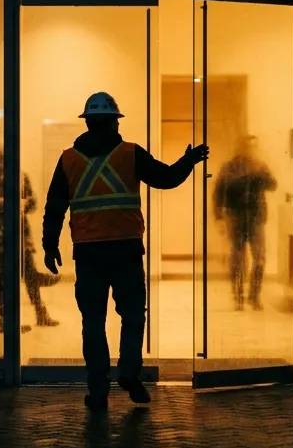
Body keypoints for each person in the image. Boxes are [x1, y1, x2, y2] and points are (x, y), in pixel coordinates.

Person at [42, 91, 210, 410]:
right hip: (126, 252)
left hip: (89, 255)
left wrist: (50, 246)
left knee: (93, 321)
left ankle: (98, 391)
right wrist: (188, 161)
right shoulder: (130, 154)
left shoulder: (68, 159)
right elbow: (165, 178)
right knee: (132, 315)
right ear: (114, 122)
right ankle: (129, 372)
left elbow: (54, 207)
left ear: (88, 123)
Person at [0, 143, 60, 328]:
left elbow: (32, 200)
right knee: (3, 279)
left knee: (29, 271)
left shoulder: (19, 175)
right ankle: (6, 320)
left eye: (2, 156)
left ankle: (41, 313)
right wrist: (9, 204)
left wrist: (21, 203)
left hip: (19, 232)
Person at [213, 135, 277, 311]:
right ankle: (239, 296)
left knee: (260, 258)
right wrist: (218, 216)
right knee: (238, 259)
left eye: (255, 147)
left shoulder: (260, 166)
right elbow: (220, 191)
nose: (252, 150)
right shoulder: (230, 167)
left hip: (256, 217)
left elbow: (273, 185)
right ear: (241, 148)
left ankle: (254, 295)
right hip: (236, 217)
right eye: (249, 146)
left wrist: (261, 175)